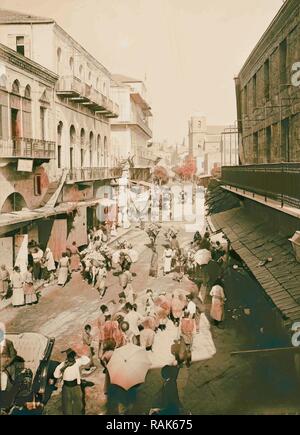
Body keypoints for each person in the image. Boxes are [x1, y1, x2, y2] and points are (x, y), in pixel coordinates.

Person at [54, 348, 90, 415]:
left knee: (78, 404)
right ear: (67, 357)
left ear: (74, 356)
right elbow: (56, 375)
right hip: (66, 387)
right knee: (67, 405)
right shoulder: (63, 364)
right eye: (69, 356)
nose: (71, 358)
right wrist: (62, 368)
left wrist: (79, 354)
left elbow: (87, 360)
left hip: (76, 386)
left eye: (72, 356)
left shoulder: (77, 362)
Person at [0, 326, 17, 392]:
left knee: (5, 377)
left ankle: (5, 390)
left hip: (7, 364)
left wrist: (5, 365)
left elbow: (13, 356)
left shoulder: (8, 343)